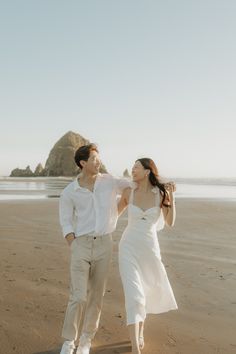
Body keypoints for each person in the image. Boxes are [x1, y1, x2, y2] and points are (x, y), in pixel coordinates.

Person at [59, 143, 130, 354]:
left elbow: (130, 186)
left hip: (104, 244)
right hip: (80, 244)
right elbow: (66, 221)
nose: (98, 162)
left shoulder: (109, 181)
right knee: (78, 296)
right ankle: (69, 341)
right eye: (94, 159)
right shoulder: (70, 191)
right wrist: (73, 243)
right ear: (83, 163)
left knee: (96, 295)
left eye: (98, 158)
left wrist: (160, 185)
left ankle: (86, 339)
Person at [118, 158, 178, 354]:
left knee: (144, 293)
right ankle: (135, 348)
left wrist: (171, 197)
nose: (132, 170)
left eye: (136, 167)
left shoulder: (160, 194)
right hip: (128, 247)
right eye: (132, 167)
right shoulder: (129, 193)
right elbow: (112, 215)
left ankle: (140, 330)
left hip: (150, 250)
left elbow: (169, 222)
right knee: (134, 294)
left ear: (147, 171)